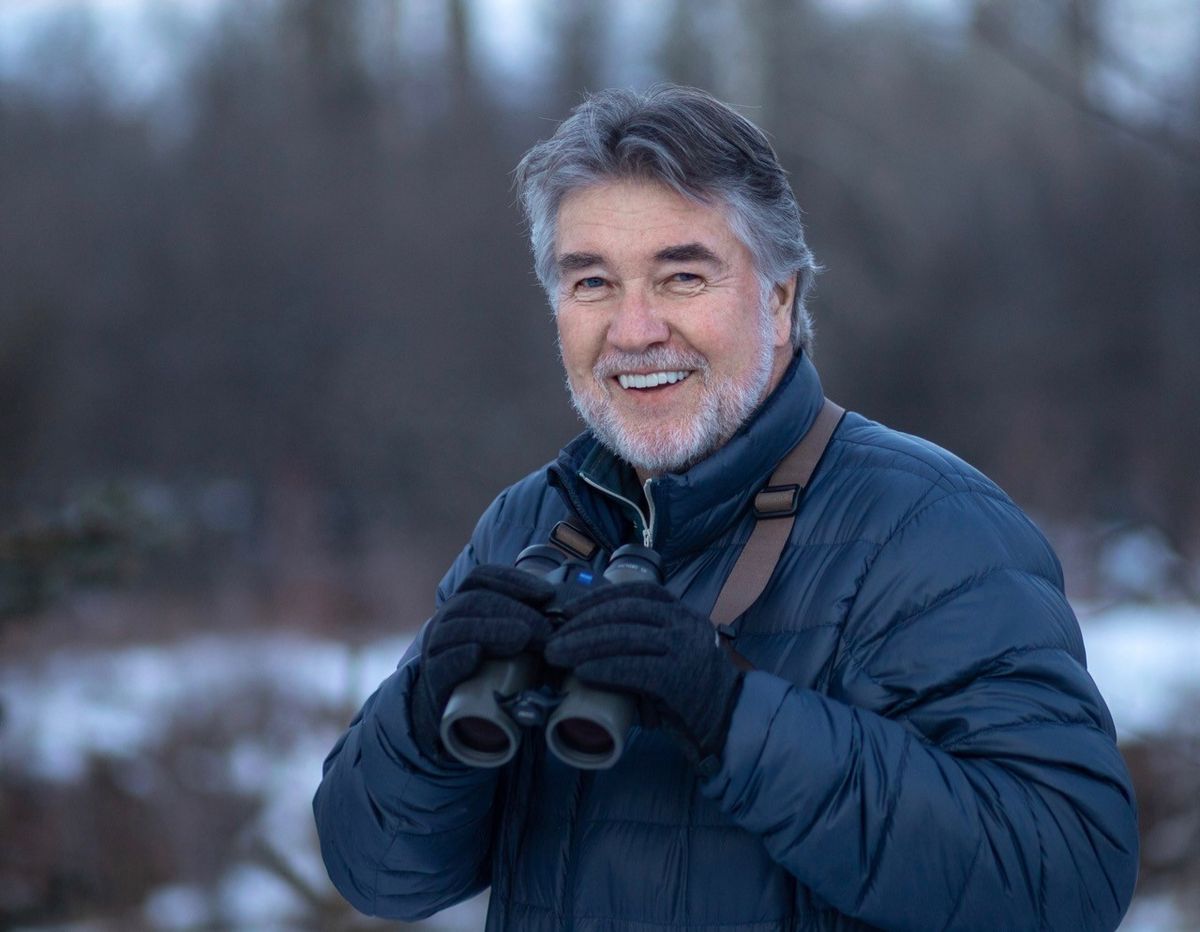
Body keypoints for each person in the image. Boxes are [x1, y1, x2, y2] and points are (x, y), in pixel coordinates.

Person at [313, 85, 1138, 931]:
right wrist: (421, 714)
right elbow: (380, 875)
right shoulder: (531, 526)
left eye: (681, 276)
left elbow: (1065, 880)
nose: (634, 331)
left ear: (779, 299)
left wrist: (731, 714)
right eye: (592, 281)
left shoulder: (928, 527)